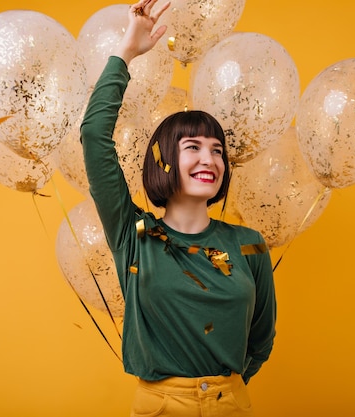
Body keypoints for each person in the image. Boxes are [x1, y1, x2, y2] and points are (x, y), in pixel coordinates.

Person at [80, 1, 277, 415]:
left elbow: (261, 339)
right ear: (164, 159)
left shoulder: (250, 246)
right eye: (193, 148)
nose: (210, 160)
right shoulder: (133, 236)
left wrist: (223, 392)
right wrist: (126, 53)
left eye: (217, 150)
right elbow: (95, 136)